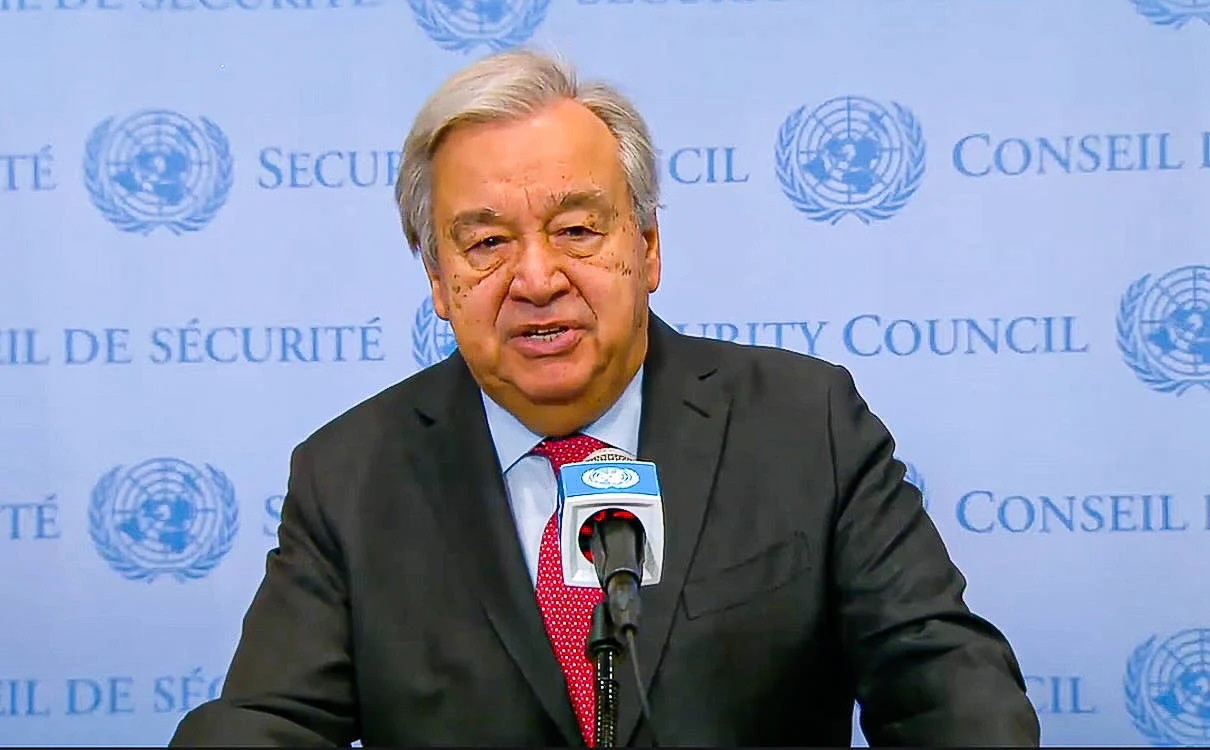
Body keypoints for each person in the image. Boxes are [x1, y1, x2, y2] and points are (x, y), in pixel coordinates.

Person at [170, 49, 1041, 747]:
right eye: (486, 244)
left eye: (577, 230)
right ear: (437, 280)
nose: (537, 278)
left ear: (649, 247)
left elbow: (942, 683)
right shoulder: (351, 477)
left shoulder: (803, 424)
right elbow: (271, 720)